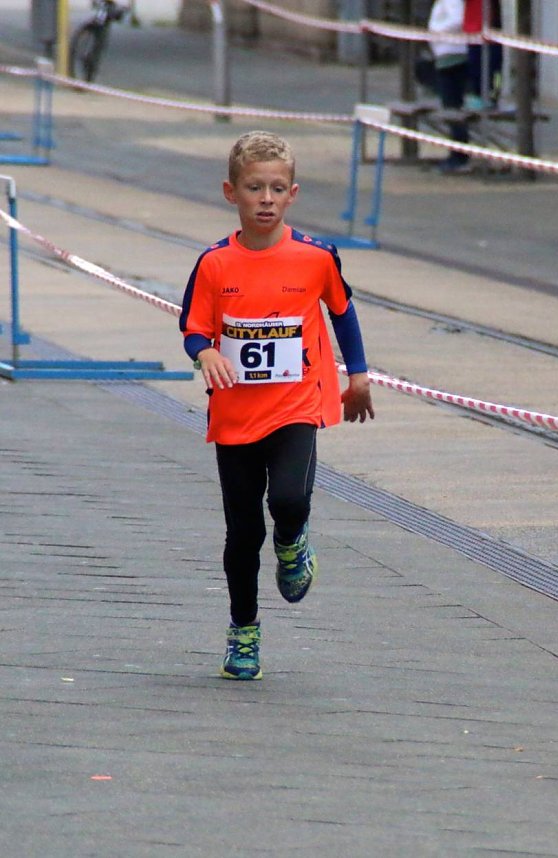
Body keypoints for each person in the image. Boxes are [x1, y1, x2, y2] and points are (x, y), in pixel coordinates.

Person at [179, 131, 374, 680]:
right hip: (236, 412)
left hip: (297, 404)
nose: (265, 198)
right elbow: (191, 328)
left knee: (288, 499)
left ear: (293, 194)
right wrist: (207, 352)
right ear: (230, 193)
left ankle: (293, 543)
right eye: (254, 188)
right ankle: (244, 633)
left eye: (277, 188)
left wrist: (357, 376)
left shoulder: (315, 256)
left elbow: (343, 313)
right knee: (243, 533)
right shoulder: (215, 264)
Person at [428, 0, 470, 173]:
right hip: (445, 55)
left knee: (453, 108)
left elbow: (458, 19)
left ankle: (460, 156)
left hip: (453, 55)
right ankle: (456, 152)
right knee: (451, 108)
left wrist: (436, 30)